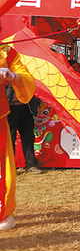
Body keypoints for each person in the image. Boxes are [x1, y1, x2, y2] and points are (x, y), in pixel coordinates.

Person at [0, 45, 36, 231]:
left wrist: (12, 76)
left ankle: (3, 212)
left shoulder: (7, 52)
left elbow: (27, 79)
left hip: (3, 114)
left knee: (3, 165)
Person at [5, 85, 41, 174]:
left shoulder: (25, 71)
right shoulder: (4, 72)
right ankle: (10, 168)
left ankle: (31, 165)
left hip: (26, 107)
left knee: (28, 137)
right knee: (9, 139)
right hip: (9, 108)